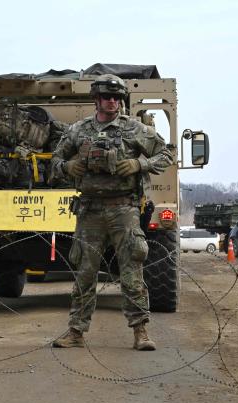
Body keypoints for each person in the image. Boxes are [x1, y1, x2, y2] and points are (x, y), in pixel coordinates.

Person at [50, 74, 174, 350]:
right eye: (107, 97)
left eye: (117, 97)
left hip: (123, 209)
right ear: (96, 100)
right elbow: (56, 159)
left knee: (132, 270)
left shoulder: (134, 129)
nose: (113, 102)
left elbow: (166, 154)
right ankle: (76, 332)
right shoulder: (79, 130)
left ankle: (141, 332)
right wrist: (67, 167)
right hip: (90, 209)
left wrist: (138, 165)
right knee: (85, 271)